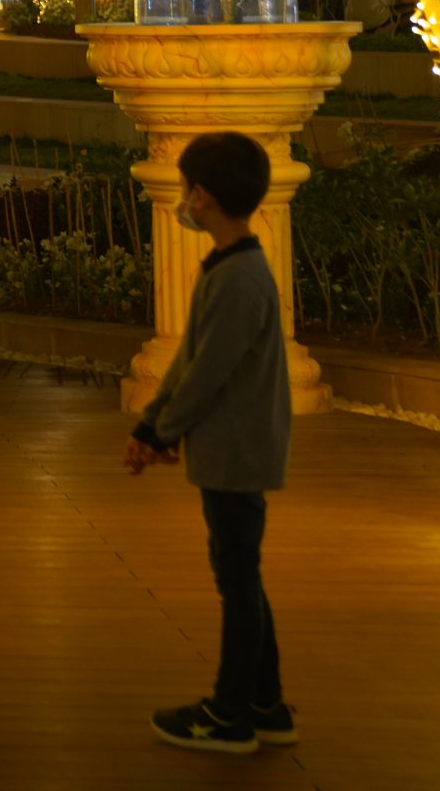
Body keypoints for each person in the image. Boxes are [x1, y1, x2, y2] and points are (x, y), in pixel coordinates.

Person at [127, 132, 296, 755]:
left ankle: (230, 714)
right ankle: (265, 702)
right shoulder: (230, 268)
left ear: (201, 197)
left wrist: (161, 431)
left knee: (237, 578)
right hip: (230, 446)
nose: (180, 200)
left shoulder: (239, 279)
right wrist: (154, 423)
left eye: (183, 189)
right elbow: (191, 361)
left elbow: (207, 373)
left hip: (237, 449)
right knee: (241, 573)